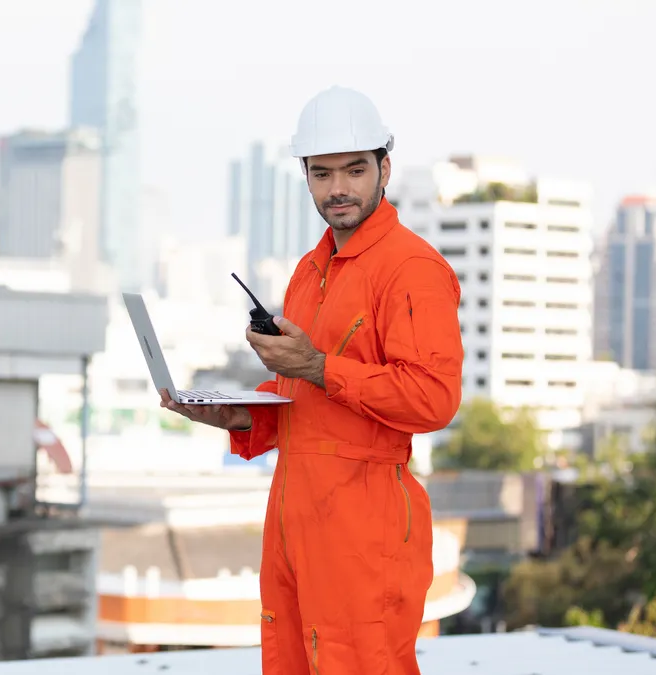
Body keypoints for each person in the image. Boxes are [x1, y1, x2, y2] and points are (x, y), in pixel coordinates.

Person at [160, 86, 463, 674]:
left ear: (384, 169)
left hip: (365, 526)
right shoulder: (310, 268)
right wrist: (236, 413)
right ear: (304, 176)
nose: (338, 188)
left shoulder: (412, 269)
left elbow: (433, 398)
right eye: (322, 174)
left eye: (354, 170)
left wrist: (320, 367)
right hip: (294, 517)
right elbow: (302, 400)